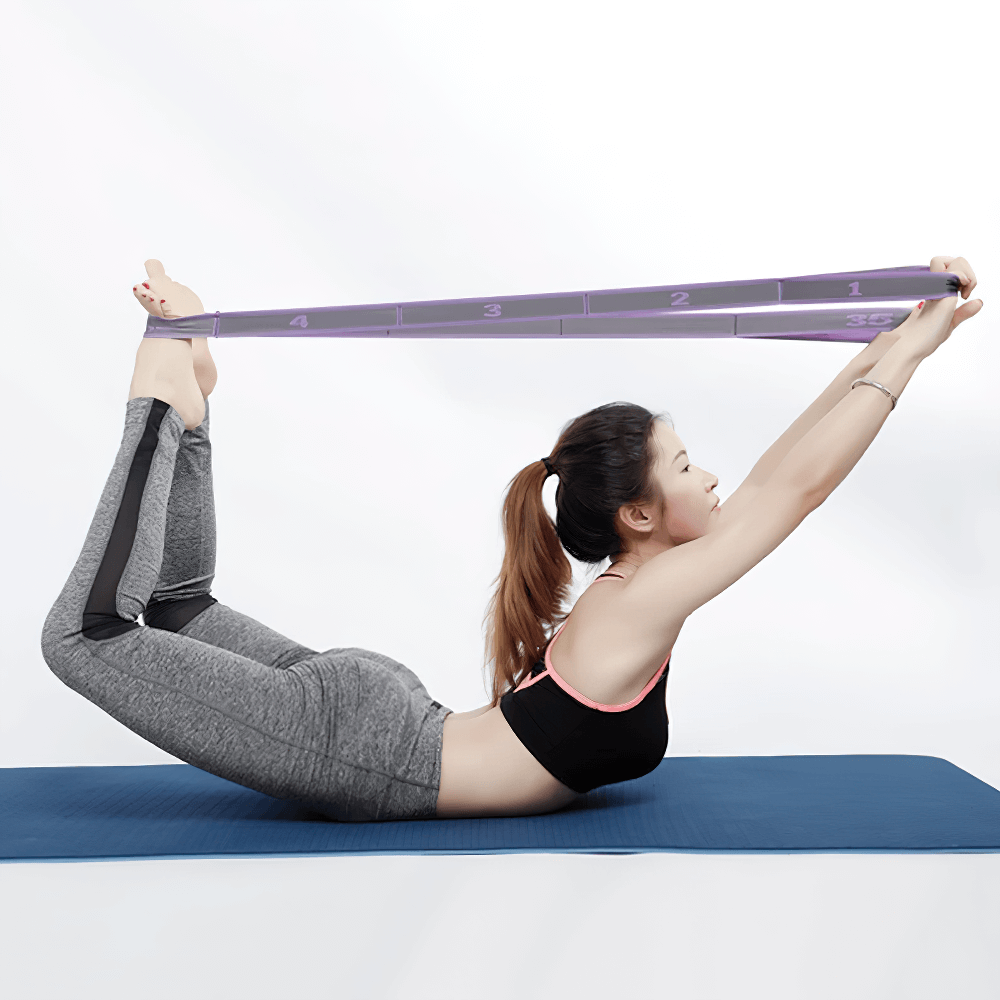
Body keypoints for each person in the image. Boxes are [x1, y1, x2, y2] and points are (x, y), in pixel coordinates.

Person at [41, 256, 983, 822]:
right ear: (639, 515)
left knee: (175, 609)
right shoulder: (643, 598)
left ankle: (191, 418)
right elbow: (800, 490)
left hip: (382, 727)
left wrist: (898, 339)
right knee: (88, 635)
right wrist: (903, 355)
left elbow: (786, 471)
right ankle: (162, 392)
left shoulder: (641, 589)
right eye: (687, 463)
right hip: (366, 748)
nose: (712, 475)